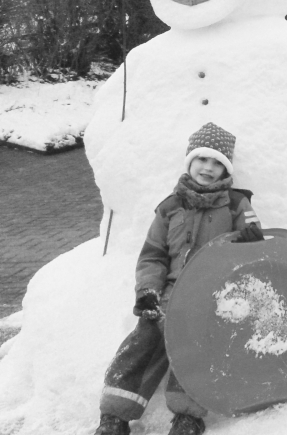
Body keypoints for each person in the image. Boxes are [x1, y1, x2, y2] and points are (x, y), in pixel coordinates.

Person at [94, 122, 265, 435]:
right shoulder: (170, 207)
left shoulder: (238, 204)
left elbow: (251, 257)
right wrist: (148, 291)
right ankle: (115, 416)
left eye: (217, 163)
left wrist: (251, 240)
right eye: (203, 159)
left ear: (226, 170)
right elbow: (153, 255)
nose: (208, 168)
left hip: (211, 295)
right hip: (169, 293)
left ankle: (189, 416)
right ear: (190, 161)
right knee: (141, 344)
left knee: (198, 347)